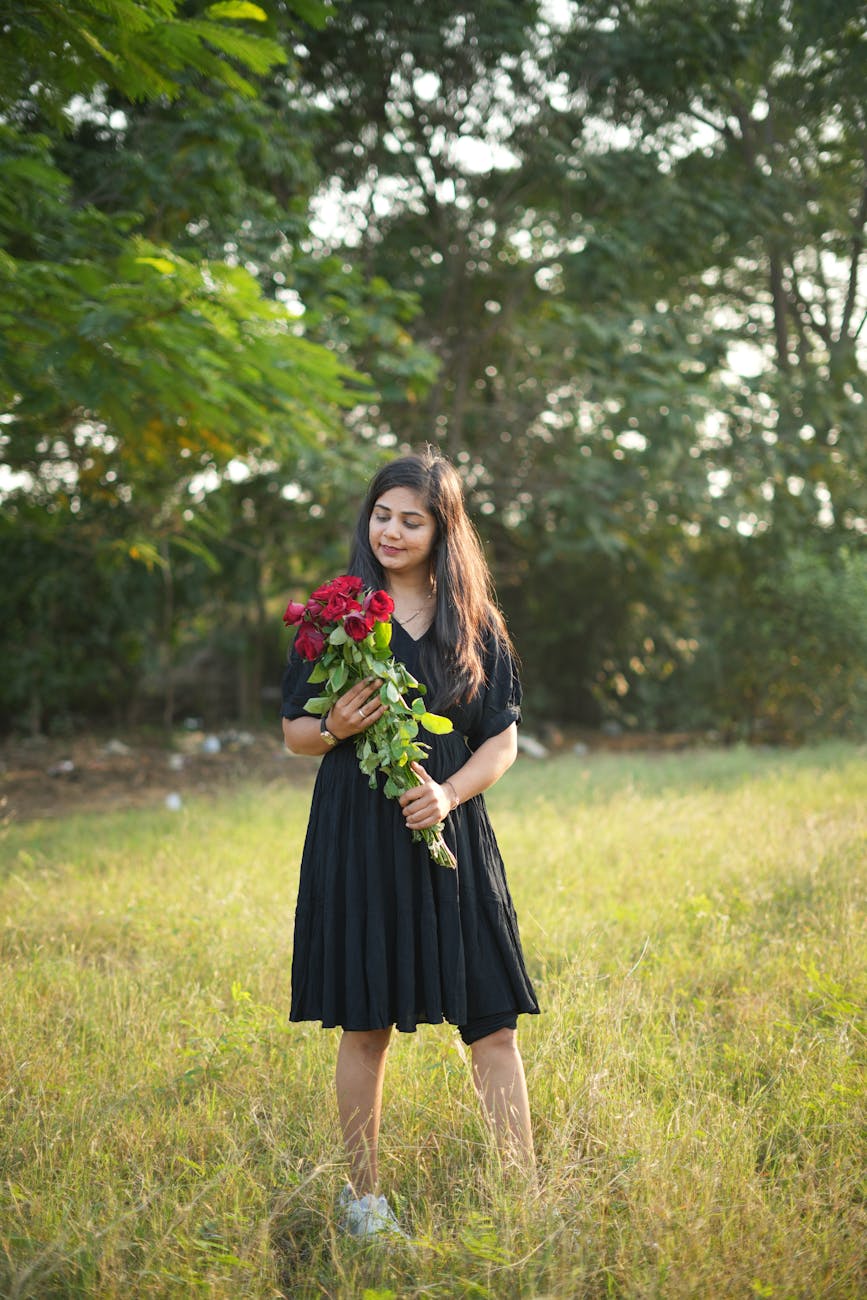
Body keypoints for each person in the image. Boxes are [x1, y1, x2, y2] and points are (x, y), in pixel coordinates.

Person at [281, 449, 539, 1240]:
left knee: (492, 1022)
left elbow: (500, 743)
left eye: (411, 519)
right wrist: (336, 727)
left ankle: (521, 1198)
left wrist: (448, 794)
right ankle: (363, 1204)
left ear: (441, 529)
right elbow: (294, 734)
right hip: (360, 833)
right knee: (367, 1024)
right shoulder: (338, 616)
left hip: (450, 835)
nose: (391, 531)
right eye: (381, 514)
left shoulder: (475, 625)